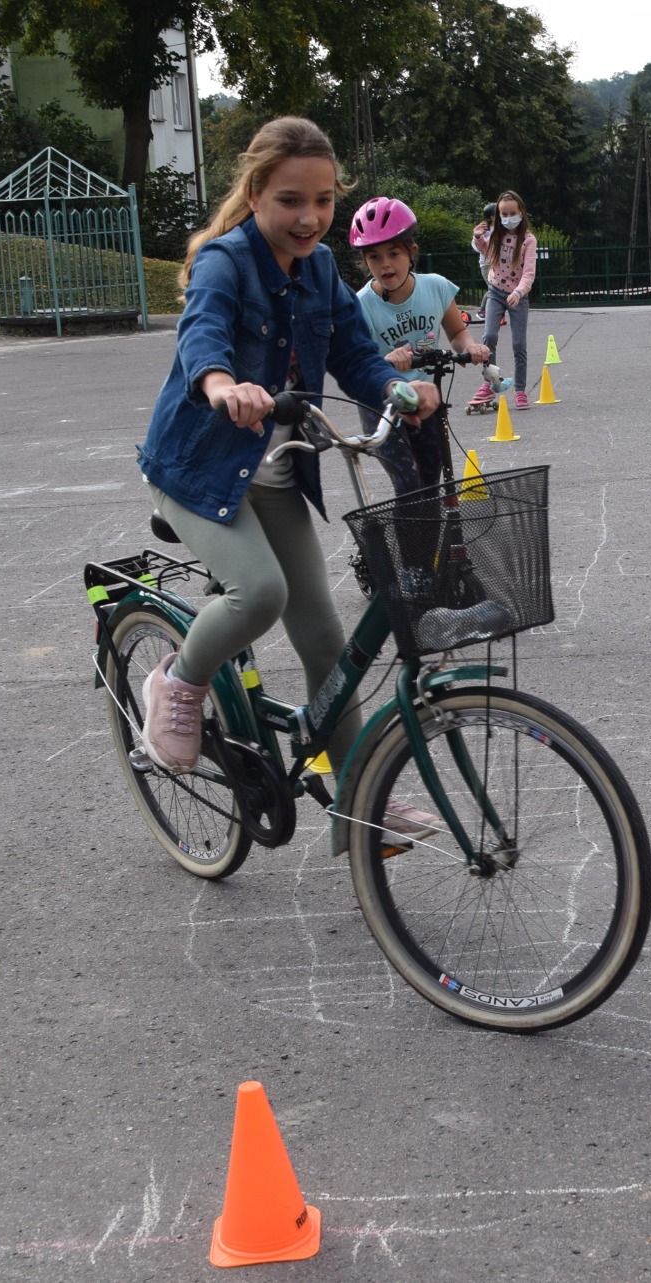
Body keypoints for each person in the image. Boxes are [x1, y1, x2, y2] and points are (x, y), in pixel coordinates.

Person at [135, 113, 443, 833]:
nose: (309, 218)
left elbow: (354, 354)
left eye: (324, 201)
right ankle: (178, 682)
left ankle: (360, 796)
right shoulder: (224, 261)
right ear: (255, 193)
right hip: (198, 471)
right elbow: (202, 335)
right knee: (260, 592)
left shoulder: (322, 271)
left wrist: (398, 389)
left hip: (273, 471)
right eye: (290, 201)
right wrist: (220, 385)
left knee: (327, 643)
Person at [348, 195, 491, 493]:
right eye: (374, 257)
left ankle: (428, 541)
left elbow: (457, 333)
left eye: (394, 254)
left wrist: (470, 346)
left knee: (430, 481)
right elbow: (356, 362)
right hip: (382, 406)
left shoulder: (436, 287)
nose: (385, 264)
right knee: (408, 483)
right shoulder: (361, 305)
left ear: (412, 252)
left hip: (425, 401)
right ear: (364, 261)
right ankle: (412, 540)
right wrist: (385, 360)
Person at [470, 192, 537, 410]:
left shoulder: (528, 240)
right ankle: (490, 382)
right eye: (503, 214)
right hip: (496, 292)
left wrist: (518, 292)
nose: (508, 218)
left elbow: (528, 273)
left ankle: (519, 390)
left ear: (521, 213)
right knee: (489, 336)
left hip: (518, 296)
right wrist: (478, 237)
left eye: (512, 213)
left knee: (519, 344)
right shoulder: (496, 235)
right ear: (498, 216)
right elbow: (486, 252)